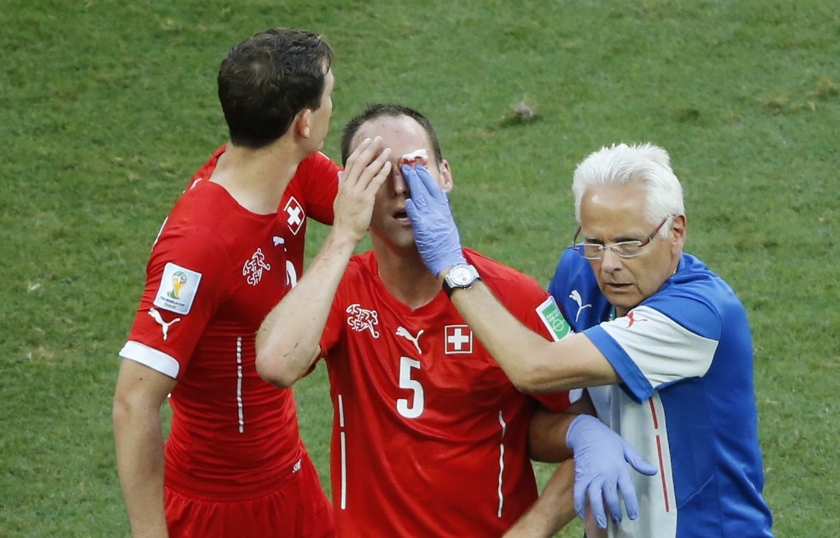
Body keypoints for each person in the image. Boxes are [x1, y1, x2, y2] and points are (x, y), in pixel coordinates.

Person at [255, 104, 652, 537]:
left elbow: (578, 427)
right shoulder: (340, 290)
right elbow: (277, 363)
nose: (400, 186)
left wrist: (532, 527)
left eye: (414, 166)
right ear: (351, 189)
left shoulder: (514, 297)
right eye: (376, 171)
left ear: (445, 175)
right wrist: (343, 234)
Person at [402, 141, 775, 537]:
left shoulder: (699, 313)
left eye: (629, 244)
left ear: (676, 232)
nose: (609, 264)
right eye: (595, 243)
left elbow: (534, 369)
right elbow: (547, 422)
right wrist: (580, 438)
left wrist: (452, 265)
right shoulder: (579, 274)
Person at [112, 28, 355, 537]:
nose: (334, 107)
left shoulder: (293, 168)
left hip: (290, 479)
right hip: (217, 509)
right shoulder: (198, 246)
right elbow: (134, 401)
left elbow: (367, 204)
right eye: (331, 95)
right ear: (304, 121)